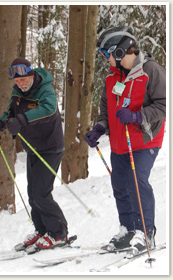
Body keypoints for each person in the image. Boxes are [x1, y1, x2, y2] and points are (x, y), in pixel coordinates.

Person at [84, 26, 166, 255]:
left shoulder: (151, 71)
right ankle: (128, 230)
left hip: (145, 140)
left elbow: (163, 104)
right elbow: (105, 108)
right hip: (120, 142)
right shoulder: (112, 78)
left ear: (118, 51)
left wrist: (138, 116)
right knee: (120, 186)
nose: (105, 59)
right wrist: (99, 128)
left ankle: (145, 233)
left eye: (106, 53)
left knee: (136, 182)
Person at [0, 57, 68, 253]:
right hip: (33, 148)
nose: (20, 84)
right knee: (33, 194)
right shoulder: (17, 94)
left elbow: (48, 109)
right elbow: (9, 113)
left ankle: (59, 234)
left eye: (23, 80)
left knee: (41, 193)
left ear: (31, 75)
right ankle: (42, 231)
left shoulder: (45, 89)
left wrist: (22, 119)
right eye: (17, 82)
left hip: (50, 147)